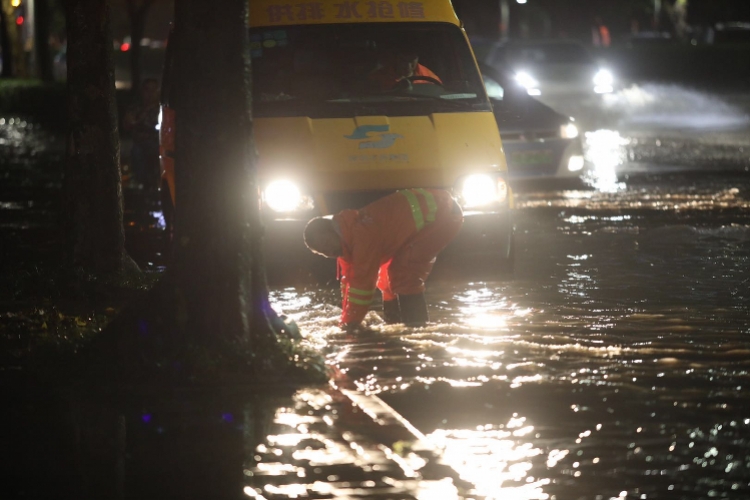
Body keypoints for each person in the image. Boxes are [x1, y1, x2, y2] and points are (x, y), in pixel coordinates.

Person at [304, 188, 463, 331]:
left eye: (326, 244)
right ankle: (395, 324)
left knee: (405, 274)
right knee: (386, 278)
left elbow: (362, 286)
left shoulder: (361, 236)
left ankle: (417, 329)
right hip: (439, 208)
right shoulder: (350, 236)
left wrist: (349, 326)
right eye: (323, 252)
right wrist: (345, 319)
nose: (329, 252)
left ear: (333, 231)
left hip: (443, 214)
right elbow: (350, 284)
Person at [123, 78, 161, 191]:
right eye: (147, 90)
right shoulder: (136, 108)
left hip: (157, 144)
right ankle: (142, 184)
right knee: (137, 152)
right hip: (140, 144)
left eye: (153, 90)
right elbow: (128, 123)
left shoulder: (162, 109)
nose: (150, 94)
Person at [368, 50, 442, 90]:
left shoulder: (430, 78)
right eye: (403, 60)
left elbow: (441, 97)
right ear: (396, 58)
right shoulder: (378, 77)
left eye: (412, 59)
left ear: (418, 58)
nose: (408, 65)